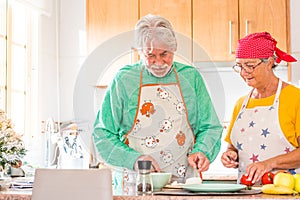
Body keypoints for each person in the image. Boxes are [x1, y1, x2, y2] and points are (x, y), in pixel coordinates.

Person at [92, 14, 223, 192]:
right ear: (139, 51)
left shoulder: (190, 77)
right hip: (135, 183)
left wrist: (202, 151)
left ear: (174, 48)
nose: (159, 62)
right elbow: (102, 133)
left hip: (184, 184)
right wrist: (134, 160)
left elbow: (210, 126)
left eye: (164, 54)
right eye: (150, 55)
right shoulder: (123, 79)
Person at [221, 32, 300, 185]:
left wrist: (268, 164)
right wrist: (230, 154)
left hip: (285, 192)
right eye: (240, 66)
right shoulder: (241, 104)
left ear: (269, 62)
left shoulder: (295, 98)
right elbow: (233, 146)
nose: (244, 73)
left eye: (250, 66)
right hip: (246, 192)